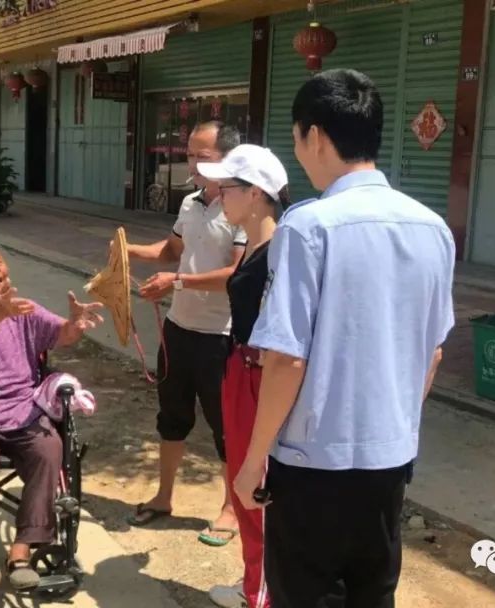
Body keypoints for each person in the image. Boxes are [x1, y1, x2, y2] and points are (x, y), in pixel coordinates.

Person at [233, 69, 455, 607]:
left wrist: (252, 461)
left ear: (315, 136)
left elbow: (286, 359)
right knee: (372, 595)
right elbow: (434, 351)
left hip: (314, 468)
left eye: (296, 138)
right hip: (389, 463)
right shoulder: (433, 228)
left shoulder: (309, 227)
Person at [0, 238, 104, 608]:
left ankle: (20, 553)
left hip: (21, 411)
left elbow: (61, 332)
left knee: (50, 449)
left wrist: (75, 323)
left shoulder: (26, 311)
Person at [125, 121, 246, 547]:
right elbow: (174, 250)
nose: (191, 164)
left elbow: (237, 274)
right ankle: (163, 496)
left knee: (225, 427)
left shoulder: (243, 207)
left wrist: (175, 282)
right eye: (190, 154)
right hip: (178, 329)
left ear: (228, 159)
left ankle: (232, 508)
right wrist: (127, 252)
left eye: (202, 157)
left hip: (222, 336)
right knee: (171, 417)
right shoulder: (191, 202)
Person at [197, 144, 290, 608]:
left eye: (226, 187)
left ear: (255, 193)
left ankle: (263, 594)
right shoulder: (253, 246)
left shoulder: (281, 252)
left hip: (262, 375)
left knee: (257, 489)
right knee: (241, 482)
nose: (217, 194)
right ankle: (254, 581)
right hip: (240, 368)